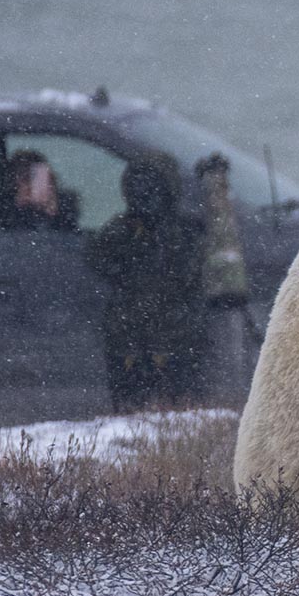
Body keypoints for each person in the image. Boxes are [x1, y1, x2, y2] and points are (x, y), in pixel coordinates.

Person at [86, 152, 206, 412]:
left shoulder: (184, 232)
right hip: (131, 341)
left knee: (177, 407)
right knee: (131, 407)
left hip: (171, 339)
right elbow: (98, 259)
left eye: (152, 189)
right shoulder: (123, 230)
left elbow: (188, 277)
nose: (145, 196)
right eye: (138, 188)